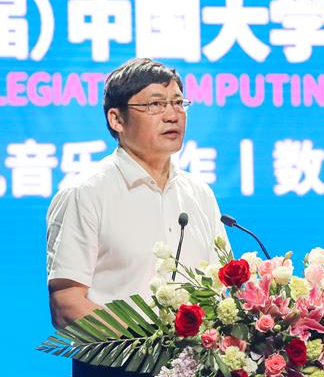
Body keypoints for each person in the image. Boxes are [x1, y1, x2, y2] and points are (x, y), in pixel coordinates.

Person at [46, 58, 229, 376]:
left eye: (178, 102)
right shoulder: (86, 193)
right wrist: (150, 346)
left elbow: (221, 289)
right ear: (116, 119)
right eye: (155, 104)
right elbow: (66, 303)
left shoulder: (200, 194)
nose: (172, 115)